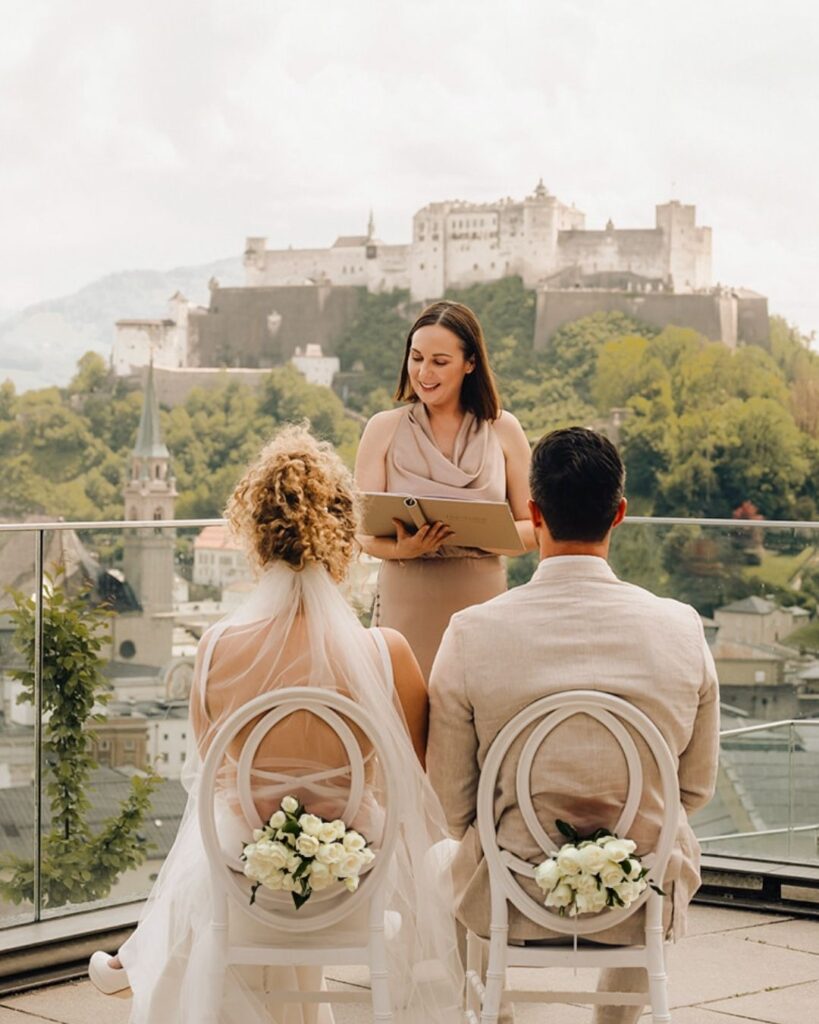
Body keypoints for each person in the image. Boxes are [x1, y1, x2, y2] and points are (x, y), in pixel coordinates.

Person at [89, 425, 463, 1024]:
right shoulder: (385, 651)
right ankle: (139, 962)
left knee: (213, 845)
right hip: (353, 878)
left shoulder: (213, 649)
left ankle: (136, 962)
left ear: (254, 534)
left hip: (250, 875)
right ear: (342, 535)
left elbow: (214, 777)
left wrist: (277, 808)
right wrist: (339, 799)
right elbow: (424, 771)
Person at [427, 426, 720, 1024]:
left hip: (513, 890)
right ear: (619, 514)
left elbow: (452, 803)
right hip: (638, 891)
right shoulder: (682, 628)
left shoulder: (471, 632)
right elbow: (693, 790)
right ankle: (616, 1019)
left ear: (533, 513)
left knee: (440, 857)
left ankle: (497, 1012)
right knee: (667, 834)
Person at [355, 300, 535, 680]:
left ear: (470, 363)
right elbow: (360, 531)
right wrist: (402, 549)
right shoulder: (382, 428)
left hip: (481, 599)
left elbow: (536, 526)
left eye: (439, 361)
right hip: (405, 596)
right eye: (417, 358)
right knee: (400, 719)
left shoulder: (504, 429)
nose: (424, 372)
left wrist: (479, 536)